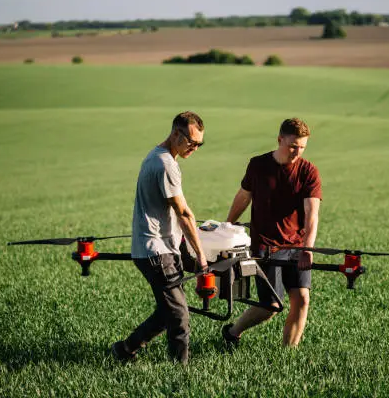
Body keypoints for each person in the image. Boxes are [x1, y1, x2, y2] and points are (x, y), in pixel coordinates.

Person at [111, 111, 208, 365]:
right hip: (157, 251)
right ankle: (180, 371)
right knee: (179, 315)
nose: (195, 148)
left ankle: (125, 349)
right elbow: (184, 212)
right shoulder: (165, 164)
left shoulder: (157, 156)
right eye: (192, 142)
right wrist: (200, 255)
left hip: (157, 248)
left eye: (200, 144)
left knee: (168, 311)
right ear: (176, 134)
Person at [222, 118, 322, 347]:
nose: (297, 151)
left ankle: (289, 354)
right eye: (293, 146)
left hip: (297, 246)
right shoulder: (258, 165)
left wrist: (307, 248)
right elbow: (244, 196)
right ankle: (232, 332)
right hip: (265, 246)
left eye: (302, 147)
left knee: (302, 300)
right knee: (271, 306)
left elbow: (312, 213)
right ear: (280, 140)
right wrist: (227, 224)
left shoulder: (308, 171)